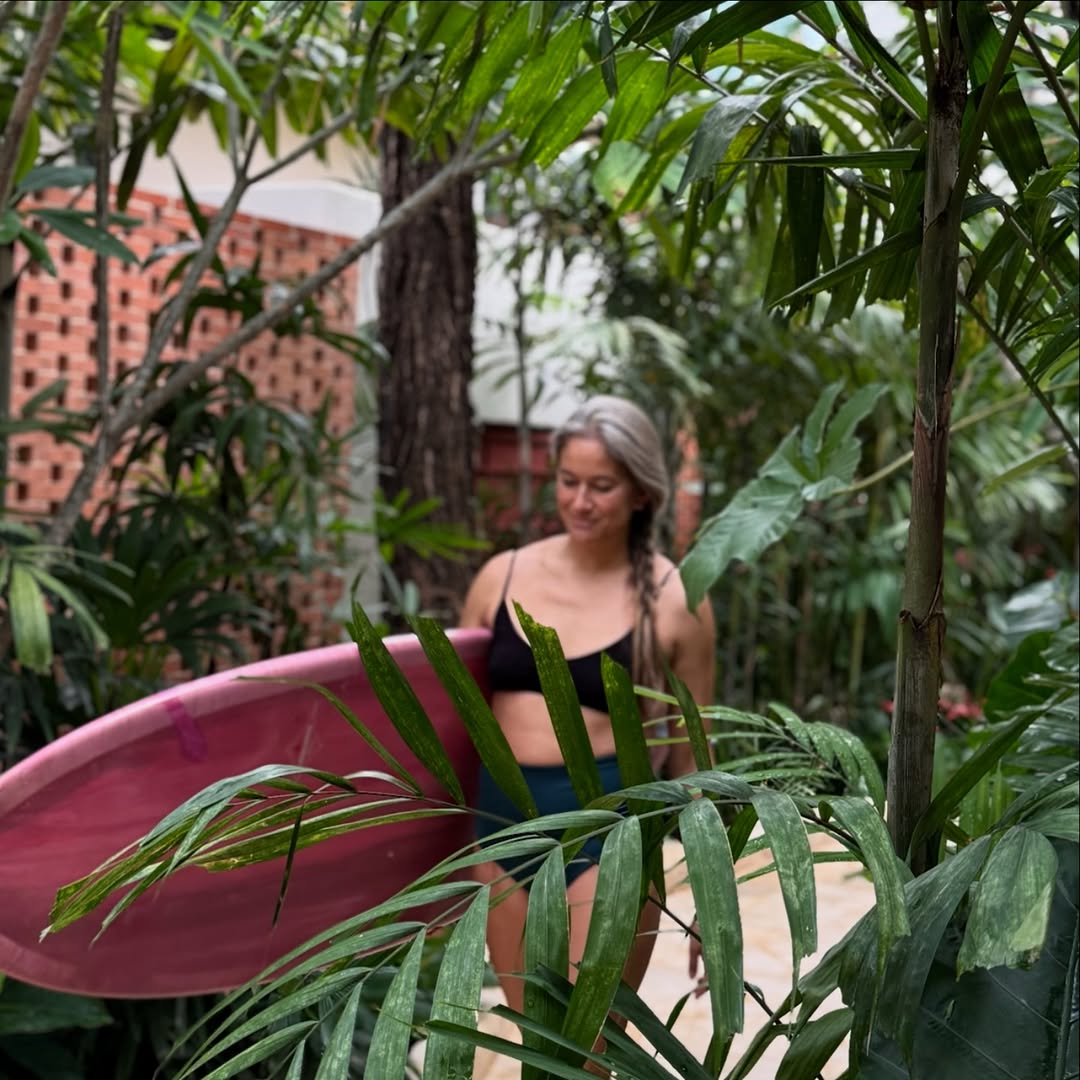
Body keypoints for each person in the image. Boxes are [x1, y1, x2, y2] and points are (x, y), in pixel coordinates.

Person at [460, 394, 716, 1021]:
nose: (579, 501)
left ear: (641, 493)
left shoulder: (677, 600)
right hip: (501, 830)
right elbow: (455, 725)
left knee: (587, 1048)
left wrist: (714, 902)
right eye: (568, 481)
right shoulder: (501, 577)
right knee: (536, 1040)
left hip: (610, 836)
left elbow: (695, 764)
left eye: (601, 486)